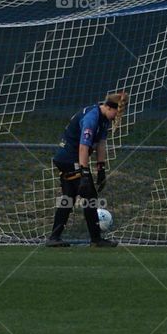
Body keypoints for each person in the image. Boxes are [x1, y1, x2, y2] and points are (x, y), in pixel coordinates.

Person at [46, 92, 127, 248]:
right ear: (109, 107)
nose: (116, 117)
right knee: (90, 196)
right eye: (116, 113)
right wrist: (84, 173)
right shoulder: (92, 118)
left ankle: (54, 237)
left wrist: (101, 168)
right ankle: (96, 240)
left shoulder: (104, 119)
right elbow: (83, 147)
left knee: (69, 197)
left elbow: (101, 144)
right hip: (70, 158)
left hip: (69, 158)